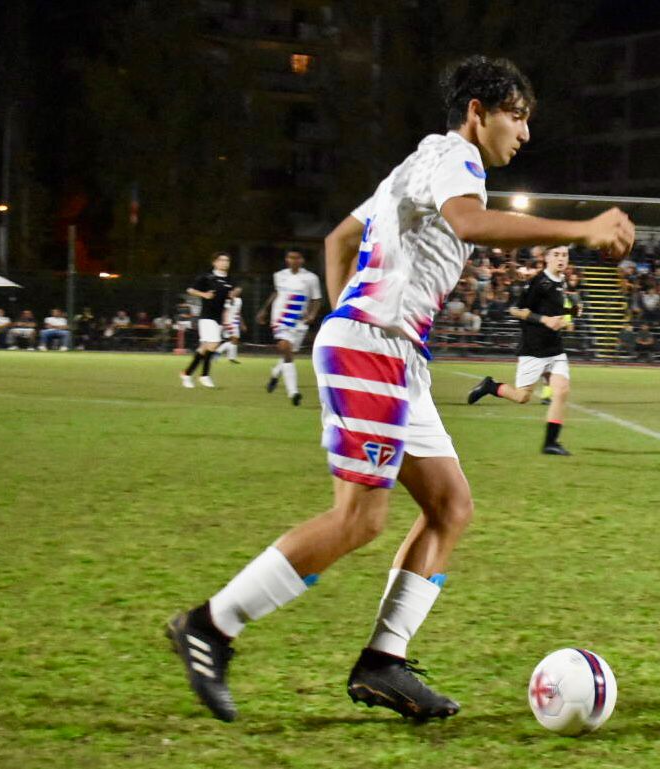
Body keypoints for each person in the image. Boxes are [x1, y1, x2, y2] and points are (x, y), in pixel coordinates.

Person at [165, 55, 634, 723]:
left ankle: (383, 662)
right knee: (360, 519)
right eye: (517, 116)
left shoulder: (417, 165)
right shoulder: (454, 158)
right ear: (478, 112)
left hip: (392, 353)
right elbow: (470, 224)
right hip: (374, 349)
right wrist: (582, 228)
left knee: (450, 506)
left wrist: (349, 314)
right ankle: (211, 626)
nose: (525, 133)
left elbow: (341, 237)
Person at [466, 243, 580, 455]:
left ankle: (550, 443)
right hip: (534, 348)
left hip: (555, 348)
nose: (561, 258)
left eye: (564, 255)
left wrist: (571, 312)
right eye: (556, 254)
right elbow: (516, 310)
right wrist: (544, 320)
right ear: (547, 258)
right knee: (522, 397)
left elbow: (553, 310)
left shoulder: (561, 281)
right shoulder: (539, 282)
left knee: (562, 391)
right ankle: (490, 386)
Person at [259, 250, 323, 405]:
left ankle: (275, 374)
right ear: (286, 259)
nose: (293, 260)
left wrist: (312, 315)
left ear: (302, 260)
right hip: (280, 318)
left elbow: (316, 299)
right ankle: (293, 392)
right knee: (286, 349)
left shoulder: (311, 278)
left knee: (289, 354)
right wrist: (264, 309)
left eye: (296, 257)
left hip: (299, 321)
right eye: (290, 257)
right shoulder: (279, 275)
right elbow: (276, 292)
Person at [180, 252, 234, 388]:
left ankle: (187, 374)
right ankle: (204, 375)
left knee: (205, 348)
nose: (224, 262)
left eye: (227, 260)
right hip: (206, 317)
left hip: (218, 318)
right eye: (221, 260)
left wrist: (229, 302)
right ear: (214, 262)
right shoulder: (207, 277)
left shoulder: (229, 280)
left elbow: (227, 299)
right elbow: (190, 290)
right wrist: (203, 294)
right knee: (214, 343)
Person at [218, 287, 245, 364]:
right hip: (229, 322)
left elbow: (239, 312)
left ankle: (230, 357)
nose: (238, 292)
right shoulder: (228, 300)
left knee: (234, 341)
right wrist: (224, 322)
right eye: (236, 290)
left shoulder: (239, 300)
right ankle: (219, 352)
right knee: (234, 339)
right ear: (233, 291)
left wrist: (242, 323)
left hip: (235, 322)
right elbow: (225, 311)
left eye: (239, 291)